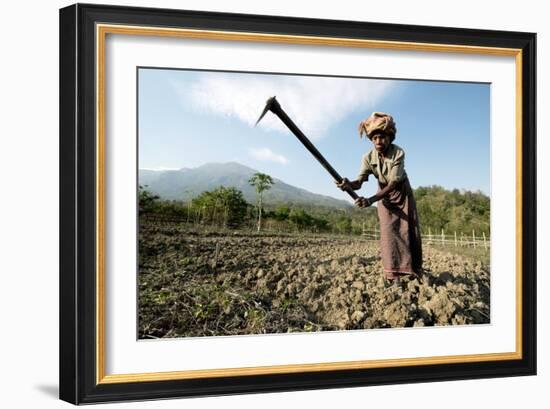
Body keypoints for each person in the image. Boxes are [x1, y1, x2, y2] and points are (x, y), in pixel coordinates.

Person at [336, 112, 423, 283]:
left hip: (401, 192)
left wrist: (370, 200)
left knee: (409, 229)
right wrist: (348, 184)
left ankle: (414, 270)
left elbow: (393, 183)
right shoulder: (368, 157)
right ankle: (394, 273)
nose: (378, 141)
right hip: (383, 195)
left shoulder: (398, 152)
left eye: (382, 137)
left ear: (389, 137)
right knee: (388, 231)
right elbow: (359, 182)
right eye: (374, 138)